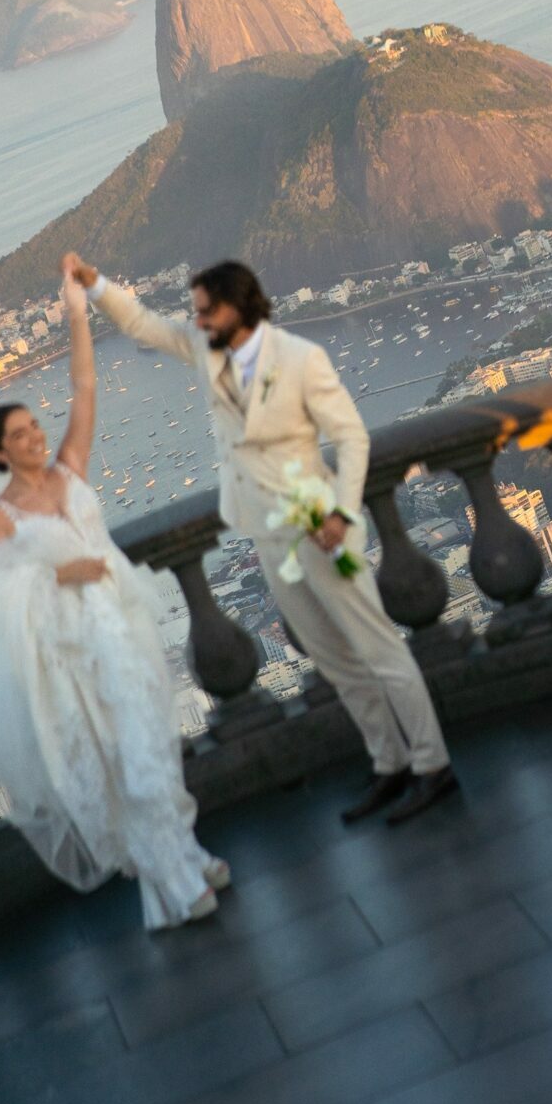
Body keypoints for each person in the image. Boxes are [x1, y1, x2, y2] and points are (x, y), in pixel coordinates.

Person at [62, 254, 456, 827]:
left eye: (205, 311)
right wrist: (94, 284)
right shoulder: (206, 351)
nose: (196, 321)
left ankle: (433, 764)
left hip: (321, 527)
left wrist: (342, 513)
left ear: (236, 307)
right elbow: (143, 325)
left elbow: (351, 438)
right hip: (267, 534)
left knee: (381, 651)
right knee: (333, 658)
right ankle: (389, 762)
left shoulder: (300, 359)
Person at [0, 269, 230, 930]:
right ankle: (172, 884)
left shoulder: (69, 470)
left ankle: (185, 856)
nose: (35, 436)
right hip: (72, 657)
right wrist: (56, 577)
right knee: (121, 764)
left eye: (34, 425)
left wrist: (77, 309)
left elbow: (85, 387)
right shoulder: (0, 518)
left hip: (121, 626)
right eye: (19, 434)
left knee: (153, 747)